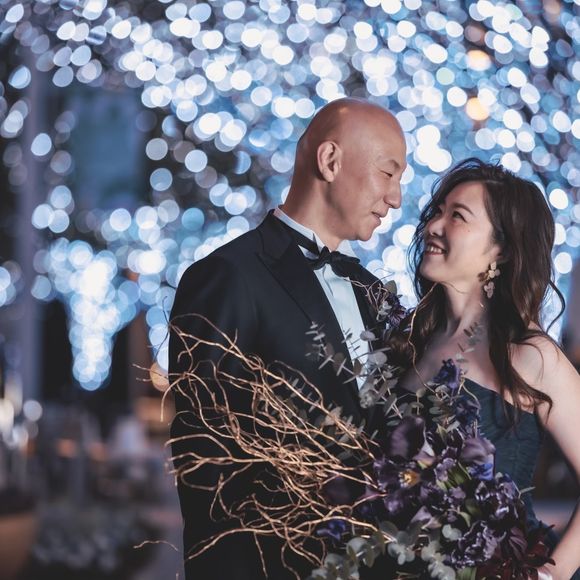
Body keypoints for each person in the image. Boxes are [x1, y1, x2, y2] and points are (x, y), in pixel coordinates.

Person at [169, 98, 407, 579]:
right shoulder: (228, 276)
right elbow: (206, 463)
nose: (396, 198)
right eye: (388, 173)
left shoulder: (373, 291)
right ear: (330, 160)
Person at [396, 158, 580, 579]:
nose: (432, 226)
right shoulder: (409, 345)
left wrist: (550, 575)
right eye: (437, 212)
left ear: (502, 248)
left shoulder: (530, 355)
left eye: (457, 216)